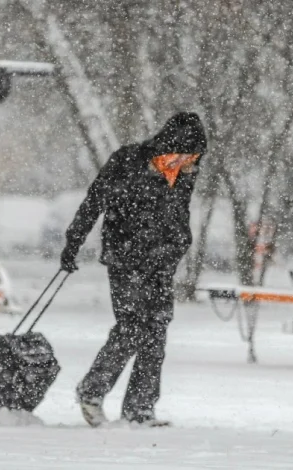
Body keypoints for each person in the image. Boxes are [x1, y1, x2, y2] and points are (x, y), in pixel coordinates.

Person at [60, 112, 207, 427]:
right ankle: (91, 391)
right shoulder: (128, 160)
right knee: (133, 327)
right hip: (126, 258)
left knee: (156, 331)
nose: (192, 164)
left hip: (162, 261)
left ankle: (139, 410)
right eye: (189, 156)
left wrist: (180, 241)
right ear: (172, 147)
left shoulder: (183, 173)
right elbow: (94, 201)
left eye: (195, 159)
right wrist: (74, 242)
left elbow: (179, 212)